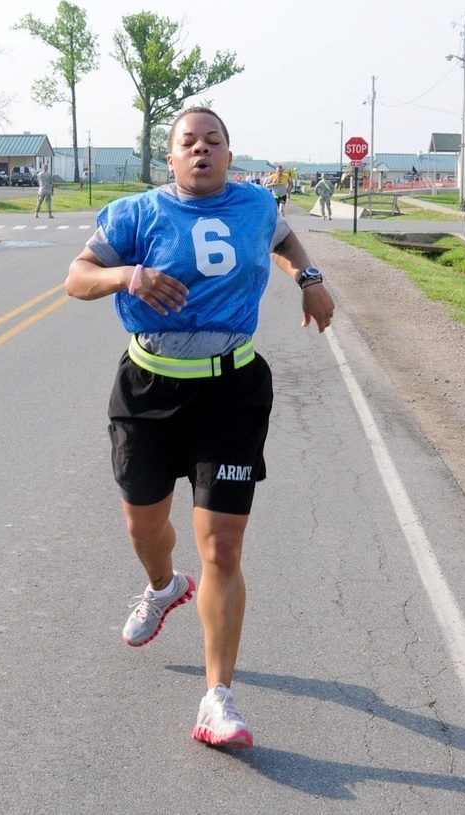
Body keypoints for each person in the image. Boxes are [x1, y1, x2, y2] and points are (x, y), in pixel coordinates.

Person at [64, 106, 335, 749]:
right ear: (171, 157)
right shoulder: (137, 214)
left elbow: (285, 241)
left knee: (222, 547)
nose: (202, 150)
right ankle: (163, 588)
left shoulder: (254, 207)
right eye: (189, 142)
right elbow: (76, 278)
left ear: (229, 153)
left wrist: (311, 280)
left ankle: (218, 697)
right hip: (148, 387)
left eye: (214, 140)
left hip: (232, 389)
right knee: (144, 525)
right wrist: (126, 275)